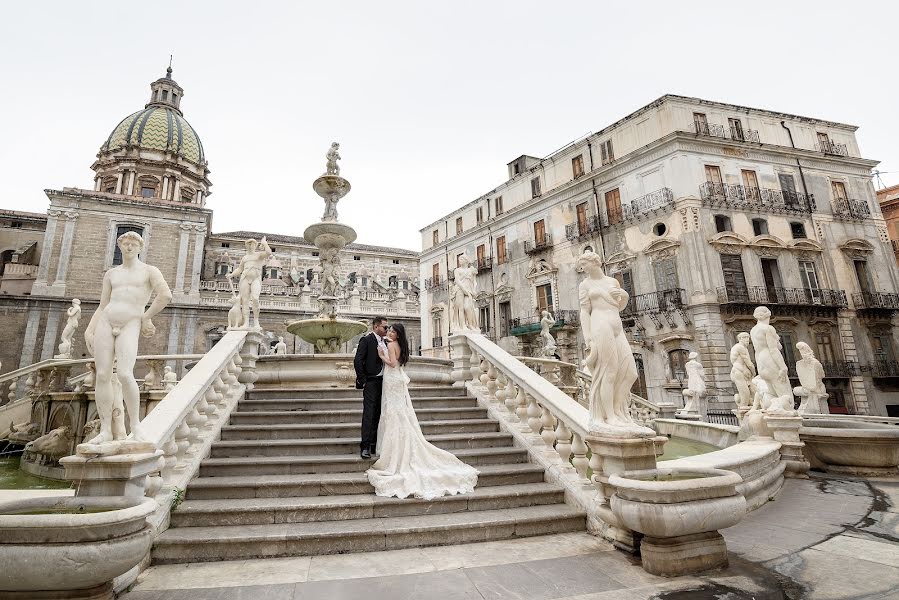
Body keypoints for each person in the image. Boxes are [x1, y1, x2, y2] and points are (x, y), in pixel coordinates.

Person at [367, 323, 478, 499]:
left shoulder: (390, 345)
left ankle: (394, 453)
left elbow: (392, 363)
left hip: (391, 378)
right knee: (398, 412)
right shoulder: (400, 345)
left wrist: (382, 356)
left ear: (397, 334)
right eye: (389, 330)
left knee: (393, 413)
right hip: (397, 381)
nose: (389, 332)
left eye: (392, 331)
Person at [83, 231, 172, 446]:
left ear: (140, 248)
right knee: (103, 375)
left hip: (131, 322)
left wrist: (146, 317)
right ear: (120, 247)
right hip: (106, 321)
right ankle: (105, 430)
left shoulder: (149, 271)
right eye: (126, 244)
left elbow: (166, 295)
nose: (130, 247)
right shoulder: (111, 274)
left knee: (124, 373)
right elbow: (103, 305)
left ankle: (136, 426)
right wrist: (89, 329)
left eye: (134, 244)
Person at [354, 316, 388, 459]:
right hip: (372, 381)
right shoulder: (366, 340)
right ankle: (365, 446)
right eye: (384, 327)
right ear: (375, 327)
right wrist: (363, 380)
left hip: (385, 382)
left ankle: (374, 444)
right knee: (369, 414)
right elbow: (358, 360)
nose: (387, 329)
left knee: (378, 413)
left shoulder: (386, 342)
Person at [227, 236, 272, 330]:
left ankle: (256, 321)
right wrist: (231, 274)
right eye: (249, 244)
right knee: (245, 301)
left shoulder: (259, 255)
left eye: (253, 244)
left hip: (256, 278)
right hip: (244, 278)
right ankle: (246, 323)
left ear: (256, 245)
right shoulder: (245, 258)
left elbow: (268, 252)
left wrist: (264, 243)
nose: (251, 246)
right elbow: (240, 269)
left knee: (255, 299)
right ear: (246, 246)